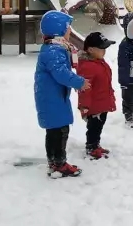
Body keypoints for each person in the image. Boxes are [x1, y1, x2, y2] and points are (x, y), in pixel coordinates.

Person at [33, 11, 90, 178]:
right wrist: (79, 82)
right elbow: (61, 74)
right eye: (67, 28)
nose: (70, 31)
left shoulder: (55, 48)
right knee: (60, 131)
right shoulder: (53, 51)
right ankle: (59, 163)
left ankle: (53, 160)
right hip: (53, 99)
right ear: (58, 29)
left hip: (51, 97)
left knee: (53, 131)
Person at [76, 32, 116, 160]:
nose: (104, 51)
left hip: (102, 102)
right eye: (101, 48)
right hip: (93, 106)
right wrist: (84, 106)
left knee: (99, 125)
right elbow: (84, 89)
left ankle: (95, 145)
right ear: (91, 50)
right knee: (94, 127)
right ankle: (91, 147)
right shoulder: (87, 66)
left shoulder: (99, 62)